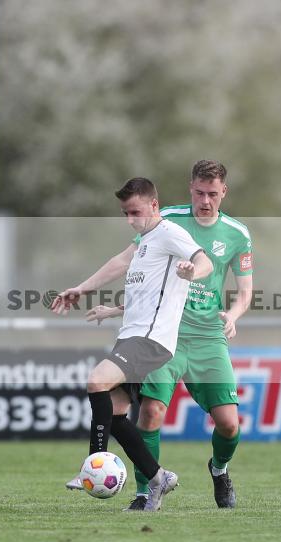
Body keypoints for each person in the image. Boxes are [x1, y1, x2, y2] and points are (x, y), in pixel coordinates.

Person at [70, 160, 253, 510]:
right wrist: (96, 295)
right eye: (199, 192)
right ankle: (146, 492)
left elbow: (245, 292)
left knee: (229, 425)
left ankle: (219, 469)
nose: (205, 200)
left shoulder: (237, 234)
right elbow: (131, 264)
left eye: (213, 194)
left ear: (224, 192)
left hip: (208, 337)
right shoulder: (165, 219)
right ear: (190, 188)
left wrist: (232, 314)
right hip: (166, 335)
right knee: (150, 413)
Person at [51, 177, 213, 512]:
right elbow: (120, 265)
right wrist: (83, 290)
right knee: (114, 414)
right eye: (125, 213)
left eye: (135, 212)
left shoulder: (169, 233)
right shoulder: (145, 241)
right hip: (132, 336)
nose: (130, 219)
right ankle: (158, 477)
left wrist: (191, 272)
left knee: (97, 380)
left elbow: (205, 261)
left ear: (154, 205)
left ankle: (93, 464)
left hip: (150, 340)